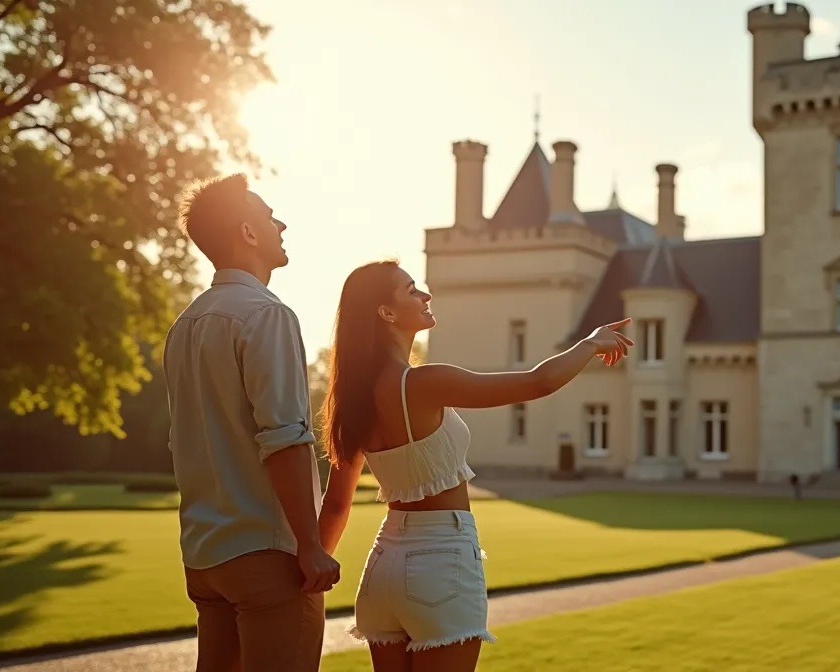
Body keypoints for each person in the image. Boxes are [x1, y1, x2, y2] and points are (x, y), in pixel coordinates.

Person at [316, 259, 632, 672]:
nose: (425, 294)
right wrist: (589, 343)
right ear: (386, 313)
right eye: (411, 290)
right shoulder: (423, 383)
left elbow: (336, 505)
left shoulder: (352, 399)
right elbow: (537, 382)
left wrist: (311, 569)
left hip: (381, 568)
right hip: (440, 564)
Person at [164, 173, 340, 672]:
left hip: (205, 557)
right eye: (269, 217)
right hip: (266, 554)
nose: (280, 225)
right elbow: (284, 438)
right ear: (247, 232)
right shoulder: (267, 314)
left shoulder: (184, 326)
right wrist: (310, 545)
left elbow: (185, 443)